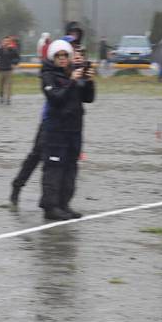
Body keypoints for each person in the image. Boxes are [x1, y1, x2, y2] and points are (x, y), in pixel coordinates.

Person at [40, 39, 95, 219]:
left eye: (65, 55)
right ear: (53, 57)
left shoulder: (74, 73)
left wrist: (89, 81)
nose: (63, 59)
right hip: (56, 130)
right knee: (54, 167)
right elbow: (56, 98)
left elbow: (88, 98)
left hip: (75, 129)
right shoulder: (48, 75)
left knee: (71, 167)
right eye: (59, 56)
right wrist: (71, 82)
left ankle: (64, 203)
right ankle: (50, 206)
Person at [0, 36, 20, 105]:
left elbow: (17, 58)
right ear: (2, 42)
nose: (6, 42)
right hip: (1, 70)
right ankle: (1, 97)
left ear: (9, 42)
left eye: (8, 41)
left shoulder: (13, 50)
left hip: (9, 70)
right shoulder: (0, 50)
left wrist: (14, 63)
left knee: (9, 85)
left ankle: (8, 99)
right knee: (1, 85)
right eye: (5, 41)